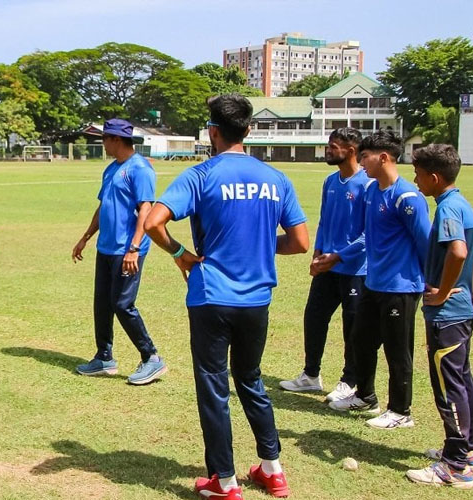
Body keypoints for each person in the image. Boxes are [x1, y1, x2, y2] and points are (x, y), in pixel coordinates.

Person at [144, 94, 309, 499]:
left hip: (211, 297)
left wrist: (181, 254)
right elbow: (301, 242)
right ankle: (272, 471)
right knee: (251, 380)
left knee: (214, 387)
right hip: (256, 300)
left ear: (212, 132)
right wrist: (258, 245)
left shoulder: (200, 175)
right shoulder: (276, 179)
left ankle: (225, 481)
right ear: (249, 130)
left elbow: (153, 222)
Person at [329, 131, 431, 431]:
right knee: (360, 341)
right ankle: (365, 395)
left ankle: (400, 410)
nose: (361, 162)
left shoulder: (407, 197)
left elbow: (425, 242)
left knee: (398, 350)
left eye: (365, 157)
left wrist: (433, 282)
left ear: (383, 157)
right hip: (373, 283)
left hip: (401, 287)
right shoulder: (372, 191)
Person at [406, 144, 473, 488]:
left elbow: (459, 252)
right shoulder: (463, 204)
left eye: (419, 174)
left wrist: (443, 290)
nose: (416, 180)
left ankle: (455, 467)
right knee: (462, 380)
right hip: (462, 312)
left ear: (434, 177)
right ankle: (469, 453)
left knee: (449, 388)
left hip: (447, 315)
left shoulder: (448, 208)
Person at [71, 118, 165, 386]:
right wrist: (86, 237)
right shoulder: (111, 170)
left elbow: (145, 210)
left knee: (123, 304)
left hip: (128, 249)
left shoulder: (140, 169)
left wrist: (134, 248)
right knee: (102, 304)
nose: (102, 144)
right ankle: (104, 357)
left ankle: (152, 358)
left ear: (115, 140)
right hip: (106, 248)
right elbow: (103, 207)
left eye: (104, 139)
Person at [280, 128, 370, 402]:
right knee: (314, 318)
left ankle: (350, 380)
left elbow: (370, 234)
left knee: (352, 327)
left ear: (351, 150)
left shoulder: (368, 184)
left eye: (333, 147)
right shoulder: (330, 182)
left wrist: (339, 255)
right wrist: (317, 255)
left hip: (356, 270)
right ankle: (311, 375)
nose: (328, 151)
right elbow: (325, 221)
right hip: (327, 266)